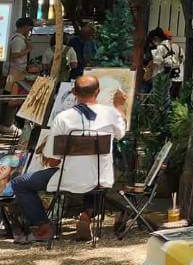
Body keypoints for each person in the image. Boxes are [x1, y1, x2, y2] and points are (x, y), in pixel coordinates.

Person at [10, 74, 128, 244]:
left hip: (68, 178)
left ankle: (44, 227)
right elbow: (121, 134)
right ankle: (86, 214)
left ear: (74, 92)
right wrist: (119, 106)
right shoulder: (111, 114)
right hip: (101, 178)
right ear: (98, 91)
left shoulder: (63, 118)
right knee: (93, 172)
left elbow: (53, 160)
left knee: (19, 183)